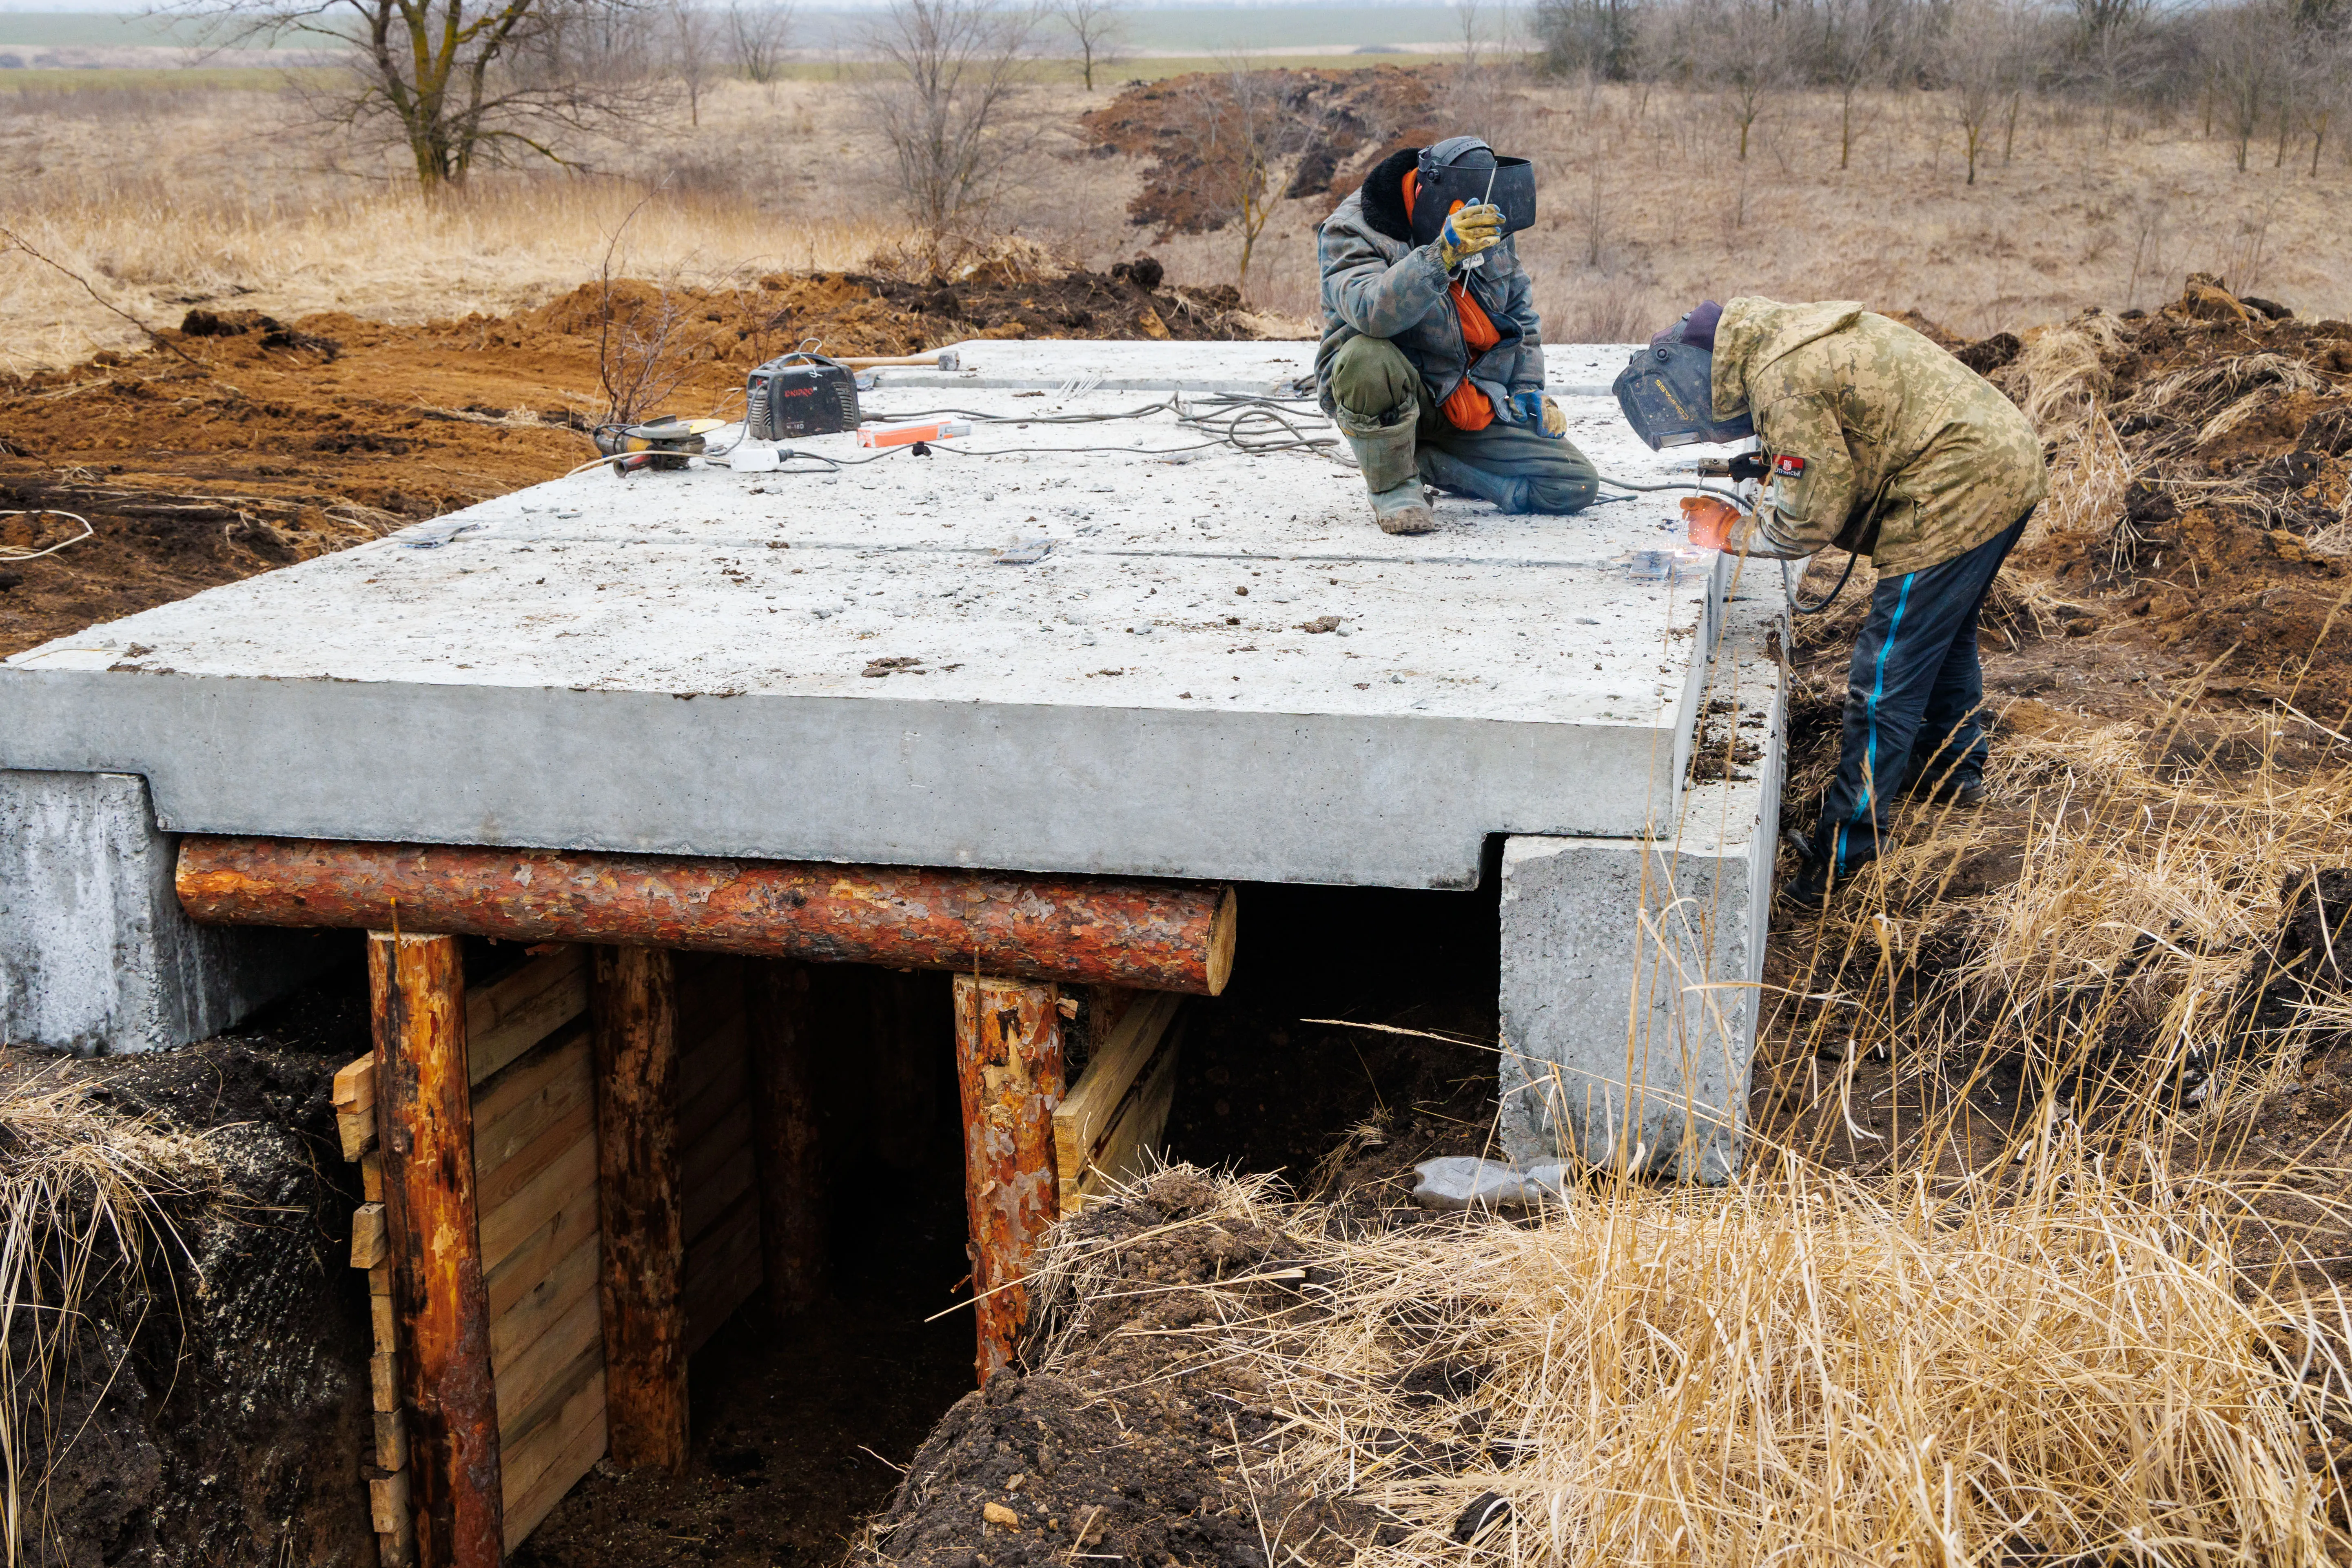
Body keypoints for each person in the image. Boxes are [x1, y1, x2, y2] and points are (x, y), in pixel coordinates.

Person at [1615, 298, 2048, 906]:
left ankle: (1843, 858)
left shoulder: (1780, 382)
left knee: (1886, 674)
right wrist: (1770, 463)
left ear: (1699, 378)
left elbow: (1803, 525)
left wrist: (1728, 531)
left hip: (1961, 485)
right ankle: (1954, 769)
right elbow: (1846, 428)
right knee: (1942, 632)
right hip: (2002, 460)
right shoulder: (1773, 340)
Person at [1315, 138, 1599, 534]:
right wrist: (1440, 257)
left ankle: (1429, 462)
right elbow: (1370, 312)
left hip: (1463, 394)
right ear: (1421, 189)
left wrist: (1526, 389)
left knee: (1571, 484)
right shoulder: (1351, 229)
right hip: (1393, 394)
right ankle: (1395, 487)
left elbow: (1519, 314)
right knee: (1364, 356)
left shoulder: (1486, 218)